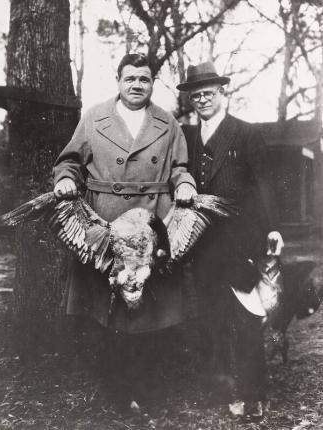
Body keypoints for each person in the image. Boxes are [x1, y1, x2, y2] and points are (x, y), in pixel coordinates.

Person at [53, 53, 197, 412]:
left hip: (152, 225)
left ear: (152, 83)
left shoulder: (168, 123)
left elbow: (181, 167)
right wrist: (68, 178)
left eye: (144, 79)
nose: (136, 85)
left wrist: (185, 185)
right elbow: (68, 160)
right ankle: (117, 395)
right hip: (106, 223)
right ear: (118, 81)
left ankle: (147, 393)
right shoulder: (94, 118)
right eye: (130, 78)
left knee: (150, 313)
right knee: (111, 312)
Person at [177, 61, 282, 421]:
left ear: (223, 93)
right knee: (209, 320)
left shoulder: (247, 134)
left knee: (246, 319)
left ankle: (254, 395)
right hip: (201, 245)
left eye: (209, 92)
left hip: (242, 243)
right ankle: (218, 393)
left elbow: (264, 186)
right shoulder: (186, 138)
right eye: (196, 95)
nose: (203, 99)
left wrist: (272, 230)